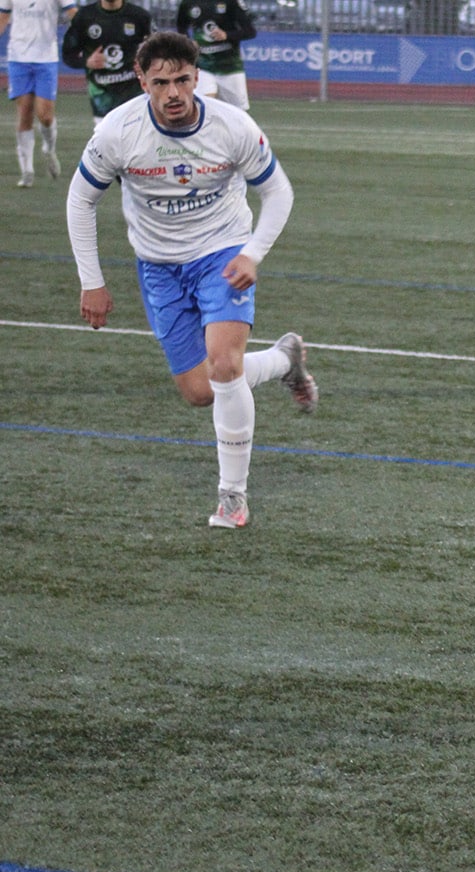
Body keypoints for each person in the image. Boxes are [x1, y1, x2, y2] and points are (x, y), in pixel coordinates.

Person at [67, 31, 317, 529]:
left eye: (182, 79)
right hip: (158, 267)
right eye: (160, 82)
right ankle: (284, 359)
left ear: (197, 77)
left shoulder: (232, 126)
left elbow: (279, 192)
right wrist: (91, 281)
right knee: (201, 391)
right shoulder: (118, 132)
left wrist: (252, 254)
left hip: (222, 256)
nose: (174, 93)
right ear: (141, 81)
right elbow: (80, 201)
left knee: (224, 367)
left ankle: (232, 497)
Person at [1, 0, 79, 187]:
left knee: (45, 115)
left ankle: (49, 149)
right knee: (25, 113)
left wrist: (83, 36)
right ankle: (27, 171)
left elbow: (73, 13)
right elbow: (3, 16)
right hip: (18, 57)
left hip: (46, 58)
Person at [60, 0, 154, 126]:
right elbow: (68, 54)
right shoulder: (84, 17)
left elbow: (158, 49)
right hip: (102, 100)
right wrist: (87, 61)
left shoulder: (140, 16)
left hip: (135, 98)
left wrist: (145, 63)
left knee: (135, 143)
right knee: (107, 143)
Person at [176, 0, 256, 110]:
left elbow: (250, 31)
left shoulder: (232, 2)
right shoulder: (188, 3)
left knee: (238, 112)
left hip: (230, 67)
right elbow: (181, 26)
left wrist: (226, 35)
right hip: (203, 66)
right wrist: (188, 41)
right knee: (203, 108)